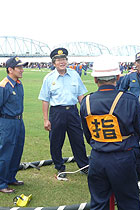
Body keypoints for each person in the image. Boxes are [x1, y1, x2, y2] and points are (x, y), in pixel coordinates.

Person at [80, 57, 140, 210]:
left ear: (95, 79)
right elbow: (138, 131)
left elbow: (87, 134)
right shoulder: (129, 100)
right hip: (122, 157)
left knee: (99, 202)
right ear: (118, 77)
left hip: (97, 158)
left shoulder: (86, 102)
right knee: (128, 202)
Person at [38, 48, 89, 180]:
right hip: (57, 113)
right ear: (54, 63)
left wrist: (86, 112)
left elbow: (81, 96)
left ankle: (84, 166)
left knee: (78, 140)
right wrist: (45, 119)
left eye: (64, 59)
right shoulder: (49, 78)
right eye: (58, 60)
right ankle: (59, 167)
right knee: (56, 141)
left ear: (67, 61)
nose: (62, 62)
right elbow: (45, 100)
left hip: (72, 111)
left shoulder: (74, 75)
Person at [0, 56, 28, 193]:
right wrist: (3, 120)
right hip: (7, 122)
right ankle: (0, 183)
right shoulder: (3, 86)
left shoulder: (18, 83)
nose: (22, 70)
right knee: (5, 153)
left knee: (17, 151)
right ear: (10, 69)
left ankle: (11, 177)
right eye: (19, 68)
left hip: (19, 121)